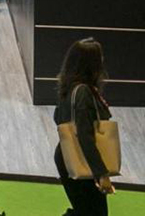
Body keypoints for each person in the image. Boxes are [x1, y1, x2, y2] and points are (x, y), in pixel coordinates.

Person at [54, 38, 115, 215]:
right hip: (81, 159)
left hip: (67, 155)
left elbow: (57, 117)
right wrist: (101, 173)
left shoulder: (68, 89)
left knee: (84, 210)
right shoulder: (83, 92)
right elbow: (85, 136)